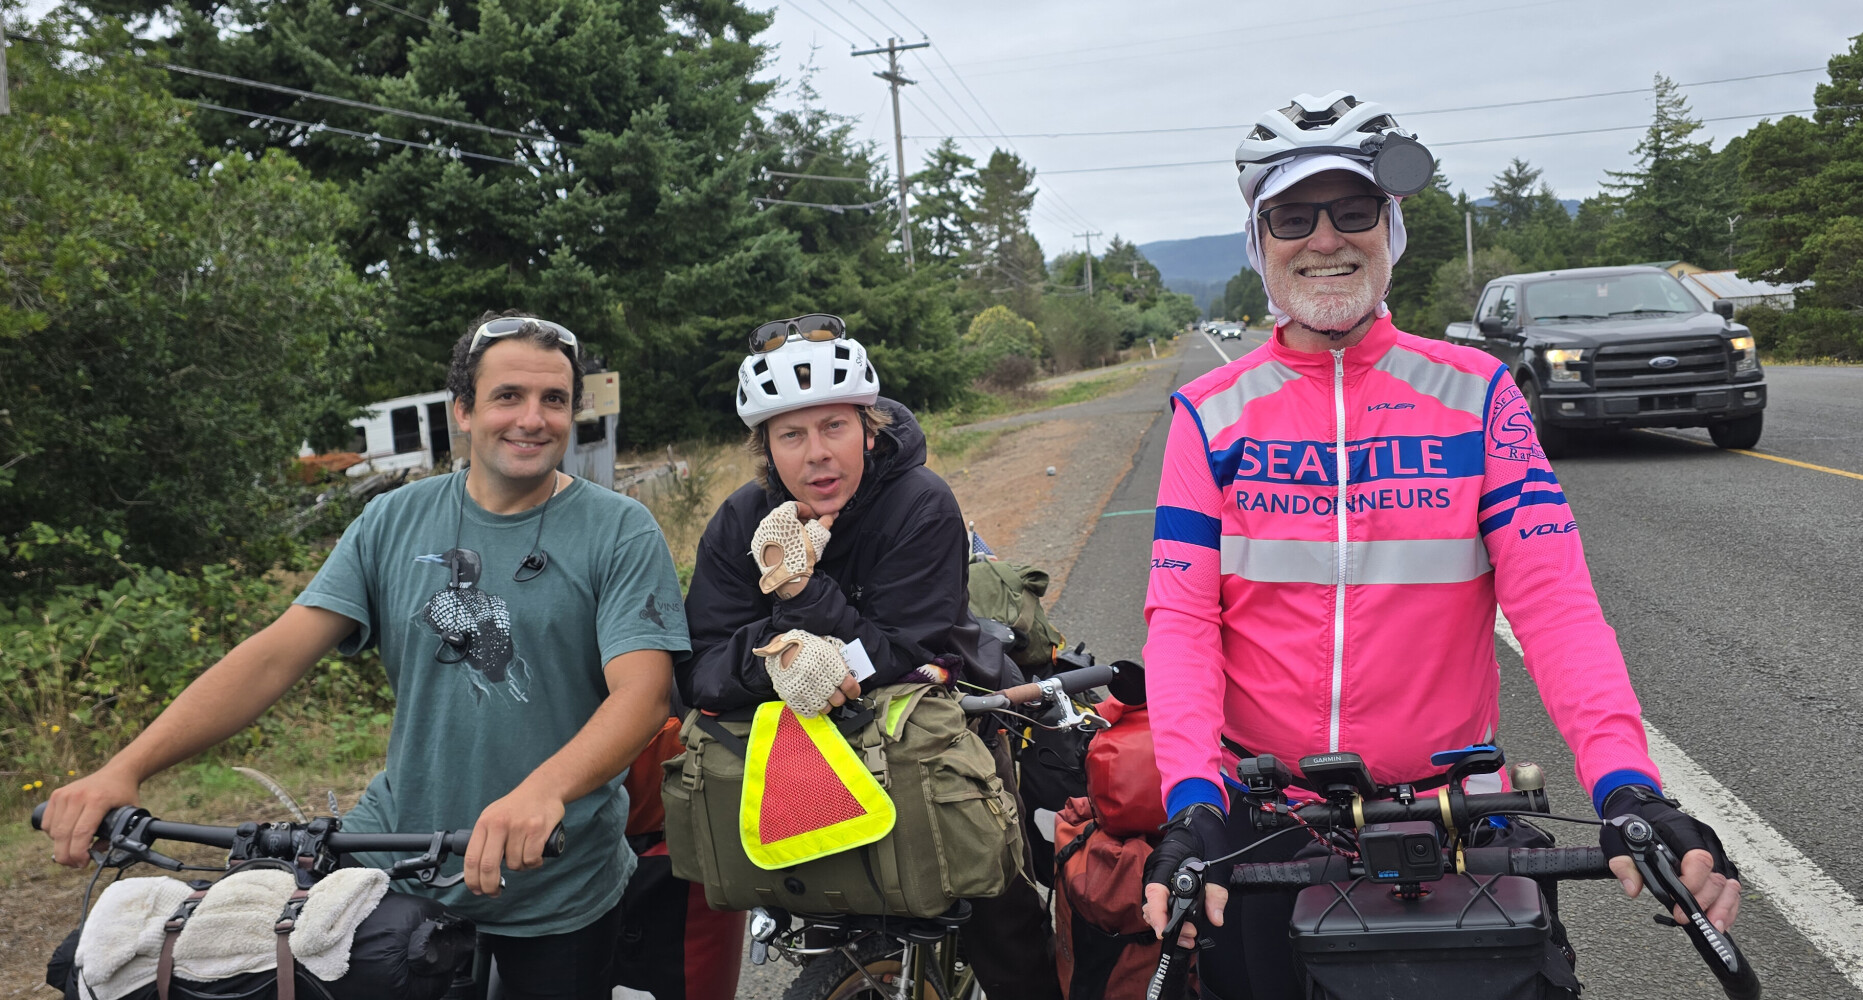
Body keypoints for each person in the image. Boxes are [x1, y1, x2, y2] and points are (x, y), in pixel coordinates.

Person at [1138, 92, 1741, 999]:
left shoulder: (1476, 393)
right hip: (1265, 817)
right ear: (1257, 242)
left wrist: (1626, 785)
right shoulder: (1210, 414)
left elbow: (1554, 604)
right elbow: (1180, 621)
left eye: (1353, 211)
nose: (1325, 238)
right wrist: (1191, 804)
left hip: (1452, 811)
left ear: (1391, 229)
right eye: (1292, 216)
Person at [40, 313, 690, 1000]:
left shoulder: (619, 529)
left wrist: (543, 791)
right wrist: (125, 768)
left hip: (557, 879)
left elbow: (642, 696)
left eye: (553, 399)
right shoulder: (392, 521)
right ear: (463, 411)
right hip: (396, 862)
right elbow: (272, 657)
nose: (532, 418)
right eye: (508, 396)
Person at [680, 313, 1062, 1000]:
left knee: (997, 914)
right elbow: (700, 667)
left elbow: (899, 653)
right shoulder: (741, 521)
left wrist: (797, 589)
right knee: (819, 903)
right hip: (804, 753)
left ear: (868, 427)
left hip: (938, 730)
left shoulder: (920, 504)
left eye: (833, 427)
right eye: (791, 435)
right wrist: (778, 660)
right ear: (765, 446)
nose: (815, 454)